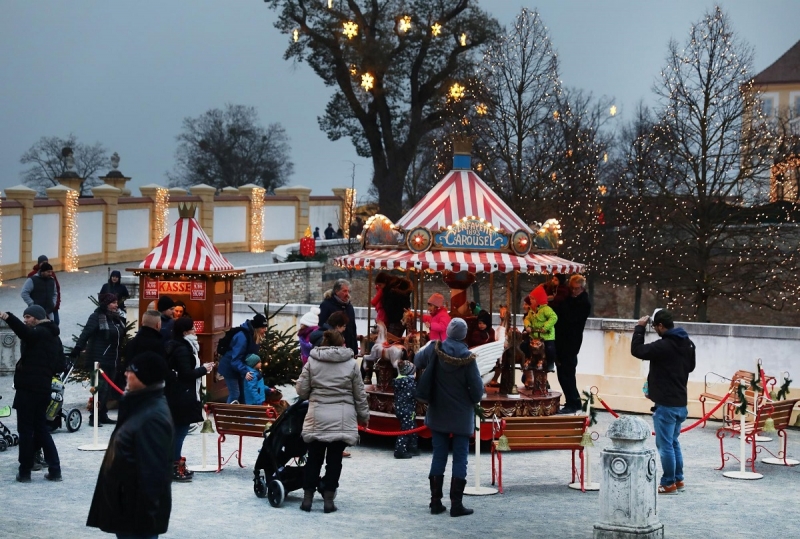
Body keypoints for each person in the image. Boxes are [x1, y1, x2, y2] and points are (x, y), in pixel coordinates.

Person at [87, 351, 173, 538]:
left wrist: (145, 523)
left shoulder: (152, 418)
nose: (126, 374)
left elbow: (153, 475)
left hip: (136, 517)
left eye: (131, 370)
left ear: (145, 377)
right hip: (126, 509)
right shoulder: (139, 405)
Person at [413, 318, 484, 517]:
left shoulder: (435, 349)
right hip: (462, 414)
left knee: (439, 455)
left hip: (438, 410)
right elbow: (477, 392)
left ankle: (435, 502)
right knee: (460, 457)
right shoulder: (468, 358)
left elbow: (417, 361)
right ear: (464, 335)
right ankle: (456, 504)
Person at [295, 330, 369, 513]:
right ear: (342, 343)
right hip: (342, 418)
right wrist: (364, 416)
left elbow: (302, 391)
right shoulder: (351, 364)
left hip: (318, 416)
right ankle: (328, 500)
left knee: (314, 458)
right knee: (335, 460)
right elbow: (359, 394)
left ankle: (307, 499)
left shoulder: (313, 362)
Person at [630, 309, 696, 495]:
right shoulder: (688, 344)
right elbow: (690, 367)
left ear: (660, 326)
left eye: (655, 327)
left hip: (666, 405)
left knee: (665, 445)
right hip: (680, 402)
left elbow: (637, 350)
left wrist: (639, 329)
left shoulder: (664, 345)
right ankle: (678, 480)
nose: (655, 330)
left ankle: (668, 483)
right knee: (673, 442)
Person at [1, 306, 65, 483]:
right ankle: (55, 469)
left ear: (38, 318)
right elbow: (61, 365)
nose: (25, 320)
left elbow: (25, 334)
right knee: (41, 429)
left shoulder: (39, 332)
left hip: (28, 389)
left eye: (28, 317)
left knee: (25, 430)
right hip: (43, 388)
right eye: (23, 317)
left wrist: (8, 316)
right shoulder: (53, 336)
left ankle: (25, 471)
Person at [165, 317, 213, 482]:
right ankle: (174, 465)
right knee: (181, 430)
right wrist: (203, 369)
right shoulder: (183, 349)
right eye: (193, 329)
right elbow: (186, 373)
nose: (195, 331)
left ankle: (172, 463)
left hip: (176, 393)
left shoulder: (176, 345)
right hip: (183, 394)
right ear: (186, 332)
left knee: (177, 430)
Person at [73, 293, 127, 427]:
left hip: (112, 359)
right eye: (113, 303)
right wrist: (78, 348)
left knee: (108, 390)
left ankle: (103, 414)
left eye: (116, 302)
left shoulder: (117, 318)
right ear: (105, 304)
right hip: (98, 359)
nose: (116, 305)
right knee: (100, 388)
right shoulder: (96, 317)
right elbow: (86, 333)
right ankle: (94, 417)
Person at [554, 275, 591, 414]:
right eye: (572, 288)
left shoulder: (583, 302)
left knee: (567, 373)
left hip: (570, 342)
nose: (574, 291)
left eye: (576, 289)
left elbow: (568, 318)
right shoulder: (571, 299)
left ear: (582, 288)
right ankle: (573, 401)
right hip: (564, 340)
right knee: (565, 373)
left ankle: (572, 401)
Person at [217, 313, 267, 404]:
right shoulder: (242, 337)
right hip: (230, 367)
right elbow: (235, 359)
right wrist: (245, 371)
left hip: (240, 368)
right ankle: (227, 415)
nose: (265, 330)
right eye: (263, 328)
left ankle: (239, 416)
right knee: (235, 393)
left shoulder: (254, 336)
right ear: (257, 328)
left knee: (242, 394)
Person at [318, 279, 358, 357]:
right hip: (333, 350)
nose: (347, 294)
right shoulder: (326, 305)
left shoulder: (349, 307)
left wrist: (355, 350)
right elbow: (321, 325)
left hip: (349, 349)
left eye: (348, 291)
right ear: (336, 291)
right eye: (344, 291)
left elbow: (353, 328)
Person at [525, 286, 558, 372]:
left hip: (546, 336)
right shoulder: (532, 310)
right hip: (535, 335)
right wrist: (528, 326)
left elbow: (553, 317)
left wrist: (545, 327)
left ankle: (551, 363)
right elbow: (527, 318)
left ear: (538, 300)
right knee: (525, 346)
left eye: (532, 299)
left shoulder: (546, 309)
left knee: (549, 349)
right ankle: (530, 360)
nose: (530, 301)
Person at [392, 359, 418, 459]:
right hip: (408, 410)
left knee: (412, 427)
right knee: (406, 430)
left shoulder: (399, 382)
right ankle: (400, 450)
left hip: (401, 409)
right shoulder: (409, 383)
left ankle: (412, 447)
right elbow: (416, 394)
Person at [26, 255, 62, 325]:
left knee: (55, 323)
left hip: (50, 306)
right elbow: (25, 292)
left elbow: (56, 290)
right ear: (39, 263)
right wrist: (32, 303)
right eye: (43, 262)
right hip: (37, 306)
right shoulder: (32, 276)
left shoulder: (51, 275)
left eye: (46, 262)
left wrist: (55, 303)